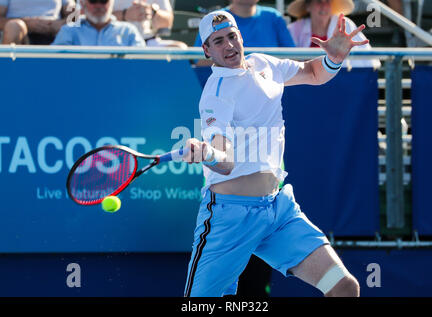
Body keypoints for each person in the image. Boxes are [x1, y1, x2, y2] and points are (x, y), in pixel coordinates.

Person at [182, 10, 368, 297]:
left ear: (241, 37)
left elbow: (314, 73)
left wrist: (334, 58)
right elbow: (226, 161)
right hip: (229, 216)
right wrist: (207, 152)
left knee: (344, 288)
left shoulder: (264, 64)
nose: (229, 46)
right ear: (206, 50)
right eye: (218, 41)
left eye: (232, 36)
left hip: (277, 209)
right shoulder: (215, 94)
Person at [287, 0, 380, 68]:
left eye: (327, 1)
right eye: (319, 1)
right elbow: (287, 63)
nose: (324, 6)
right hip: (304, 88)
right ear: (308, 6)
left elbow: (371, 62)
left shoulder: (345, 24)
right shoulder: (294, 29)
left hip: (341, 85)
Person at [52, 0, 145, 46]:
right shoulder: (69, 32)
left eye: (103, 1)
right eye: (93, 0)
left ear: (112, 2)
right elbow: (56, 65)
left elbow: (143, 64)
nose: (98, 6)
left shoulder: (128, 32)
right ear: (82, 3)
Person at [112, 0, 187, 48]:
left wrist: (153, 12)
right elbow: (100, 18)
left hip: (149, 42)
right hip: (116, 42)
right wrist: (124, 14)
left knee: (180, 48)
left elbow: (168, 22)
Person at [0, 0, 76, 44]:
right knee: (13, 27)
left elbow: (74, 13)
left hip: (55, 36)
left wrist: (60, 24)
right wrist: (27, 23)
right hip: (22, 36)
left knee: (70, 29)